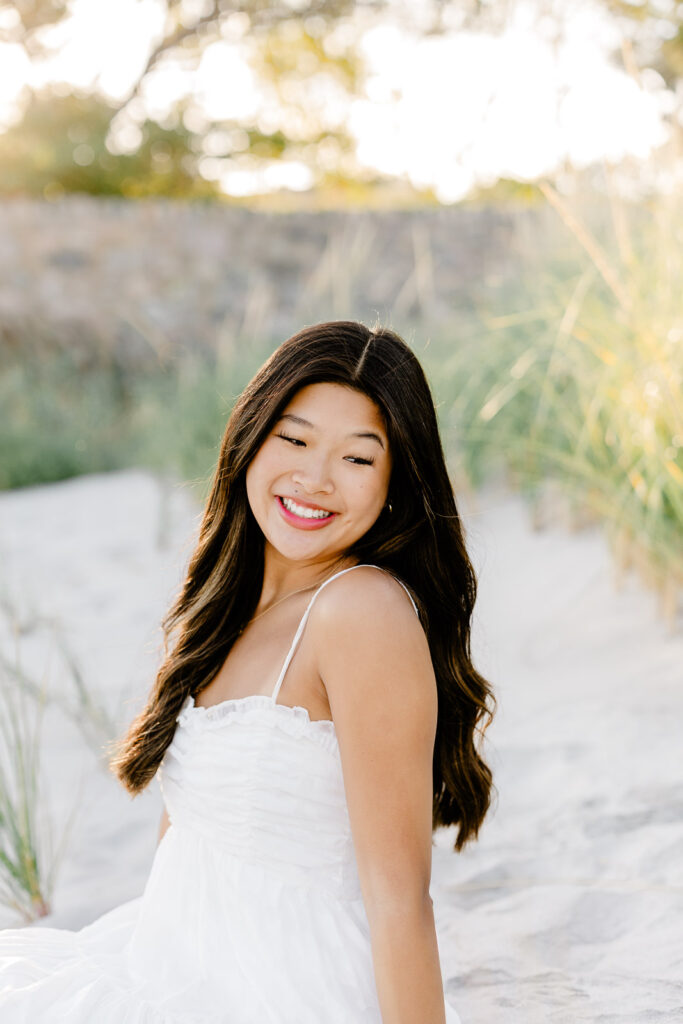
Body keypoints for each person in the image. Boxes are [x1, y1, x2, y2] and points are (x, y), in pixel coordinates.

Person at [0, 320, 495, 1022]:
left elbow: (399, 900)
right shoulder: (229, 605)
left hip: (282, 990)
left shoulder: (360, 612)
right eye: (293, 440)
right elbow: (190, 840)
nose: (314, 479)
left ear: (393, 485)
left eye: (357, 459)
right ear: (250, 437)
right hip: (168, 964)